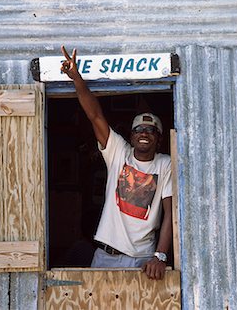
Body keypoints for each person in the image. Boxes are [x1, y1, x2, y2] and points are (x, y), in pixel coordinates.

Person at [60, 46, 173, 280]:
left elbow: (170, 213)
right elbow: (95, 115)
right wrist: (76, 78)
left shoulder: (165, 164)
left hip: (143, 259)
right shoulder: (119, 152)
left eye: (152, 130)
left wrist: (160, 256)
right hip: (105, 257)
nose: (145, 133)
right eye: (139, 129)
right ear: (131, 137)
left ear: (159, 139)